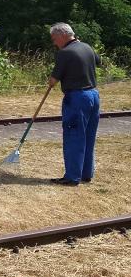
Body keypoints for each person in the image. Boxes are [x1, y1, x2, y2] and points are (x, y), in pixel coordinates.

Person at [46, 22, 100, 187]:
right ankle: (85, 174)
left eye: (55, 39)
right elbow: (98, 61)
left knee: (74, 136)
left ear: (62, 35)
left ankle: (72, 177)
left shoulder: (65, 53)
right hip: (93, 95)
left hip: (76, 98)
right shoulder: (87, 47)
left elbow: (53, 81)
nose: (55, 43)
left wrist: (50, 81)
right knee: (88, 136)